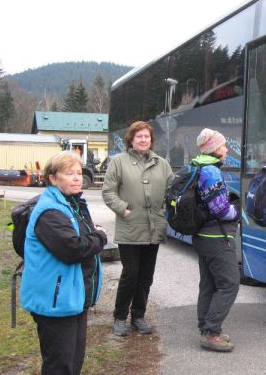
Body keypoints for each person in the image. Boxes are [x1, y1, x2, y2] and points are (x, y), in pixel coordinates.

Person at [20, 151, 107, 375]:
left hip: (74, 297)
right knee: (60, 366)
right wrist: (100, 237)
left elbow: (83, 238)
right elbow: (74, 248)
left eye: (78, 173)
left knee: (73, 361)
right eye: (69, 174)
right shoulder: (50, 211)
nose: (77, 178)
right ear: (53, 178)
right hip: (55, 301)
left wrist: (92, 237)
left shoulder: (73, 204)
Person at [102, 121, 174, 337]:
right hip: (130, 228)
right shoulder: (119, 162)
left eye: (147, 137)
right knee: (130, 274)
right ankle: (120, 317)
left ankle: (138, 316)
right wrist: (124, 210)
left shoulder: (162, 163)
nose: (143, 140)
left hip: (155, 229)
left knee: (146, 276)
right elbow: (108, 192)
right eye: (139, 136)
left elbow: (173, 190)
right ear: (131, 140)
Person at [191, 128, 240, 352]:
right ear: (214, 149)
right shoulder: (210, 171)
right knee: (229, 283)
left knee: (209, 283)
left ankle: (206, 327)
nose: (226, 149)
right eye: (223, 145)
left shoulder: (197, 165)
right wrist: (236, 212)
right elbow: (220, 209)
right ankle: (211, 332)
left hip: (203, 235)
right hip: (215, 236)